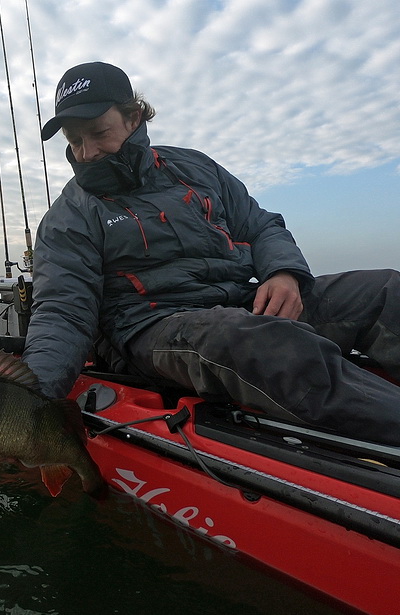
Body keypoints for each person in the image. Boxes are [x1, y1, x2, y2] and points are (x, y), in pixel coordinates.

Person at [21, 61, 400, 446]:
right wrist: (28, 406)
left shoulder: (195, 166)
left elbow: (260, 225)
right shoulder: (68, 217)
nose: (86, 152)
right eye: (74, 140)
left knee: (386, 288)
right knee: (252, 339)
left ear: (134, 117)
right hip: (151, 330)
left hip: (242, 303)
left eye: (98, 133)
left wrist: (282, 273)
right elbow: (62, 313)